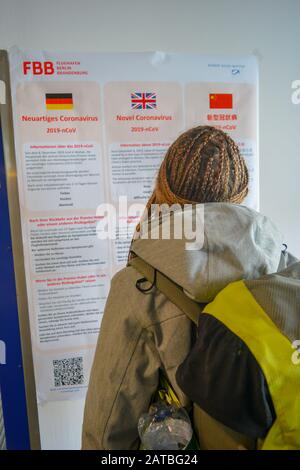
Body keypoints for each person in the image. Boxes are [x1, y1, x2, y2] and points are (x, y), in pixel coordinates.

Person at [82, 125, 296, 450]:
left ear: (165, 188)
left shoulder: (138, 285)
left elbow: (108, 425)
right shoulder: (282, 262)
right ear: (241, 193)